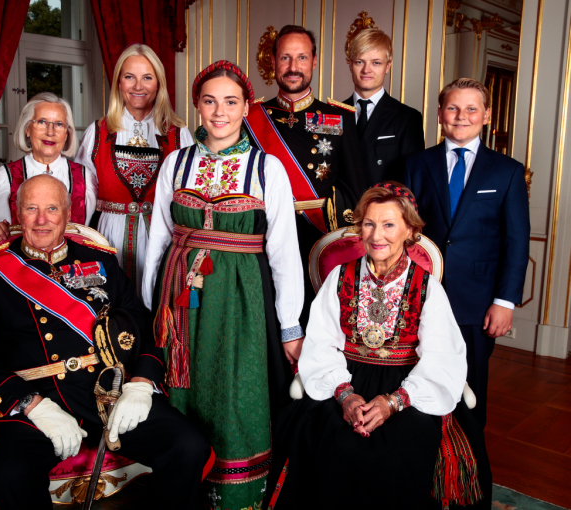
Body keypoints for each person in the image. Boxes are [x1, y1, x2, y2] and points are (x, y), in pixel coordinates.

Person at [0, 174, 212, 510]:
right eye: (31, 208)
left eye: (51, 208)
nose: (42, 219)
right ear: (18, 214)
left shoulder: (100, 259)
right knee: (10, 478)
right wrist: (32, 404)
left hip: (109, 392)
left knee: (189, 445)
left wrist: (141, 382)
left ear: (69, 212)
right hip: (36, 403)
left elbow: (143, 325)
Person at [265, 183, 491, 510]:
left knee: (398, 449)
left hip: (408, 387)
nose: (376, 235)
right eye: (369, 224)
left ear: (409, 230)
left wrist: (392, 402)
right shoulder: (339, 277)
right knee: (334, 441)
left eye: (388, 225)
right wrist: (345, 396)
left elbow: (442, 356)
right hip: (344, 378)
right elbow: (322, 343)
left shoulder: (426, 286)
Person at [142, 61, 303, 510]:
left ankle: (235, 498)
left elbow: (285, 251)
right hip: (180, 299)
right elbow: (157, 235)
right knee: (182, 390)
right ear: (197, 104)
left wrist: (290, 326)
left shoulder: (266, 168)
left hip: (241, 301)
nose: (219, 112)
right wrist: (149, 307)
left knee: (235, 392)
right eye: (210, 101)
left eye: (231, 102)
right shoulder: (176, 162)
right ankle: (184, 487)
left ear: (246, 107)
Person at [404, 78, 530, 427]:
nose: (462, 116)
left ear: (486, 115)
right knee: (418, 388)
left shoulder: (507, 171)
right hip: (420, 296)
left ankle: (470, 474)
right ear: (441, 114)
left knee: (469, 398)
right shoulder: (416, 164)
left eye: (472, 108)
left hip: (476, 304)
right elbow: (404, 231)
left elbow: (516, 241)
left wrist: (504, 302)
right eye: (453, 108)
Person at [244, 24, 366, 332]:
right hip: (266, 238)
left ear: (314, 61)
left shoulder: (339, 117)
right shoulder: (251, 117)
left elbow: (356, 189)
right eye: (285, 58)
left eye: (301, 57)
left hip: (319, 239)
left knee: (319, 329)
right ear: (273, 62)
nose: (293, 67)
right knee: (268, 326)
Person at [75, 44, 194, 295]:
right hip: (109, 236)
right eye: (129, 77)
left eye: (147, 78)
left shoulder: (179, 134)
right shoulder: (96, 133)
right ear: (118, 83)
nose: (138, 86)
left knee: (159, 309)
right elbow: (81, 198)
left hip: (162, 235)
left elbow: (190, 197)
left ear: (159, 84)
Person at [0, 92, 97, 251]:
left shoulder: (85, 176)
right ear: (27, 129)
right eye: (42, 122)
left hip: (71, 268)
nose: (50, 132)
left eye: (59, 124)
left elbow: (92, 235)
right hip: (22, 268)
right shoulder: (8, 175)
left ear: (67, 133)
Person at [344, 29, 425, 185]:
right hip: (340, 208)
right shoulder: (334, 113)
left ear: (387, 67)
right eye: (359, 62)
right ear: (350, 64)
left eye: (376, 63)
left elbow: (411, 181)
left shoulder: (407, 118)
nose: (366, 70)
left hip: (383, 207)